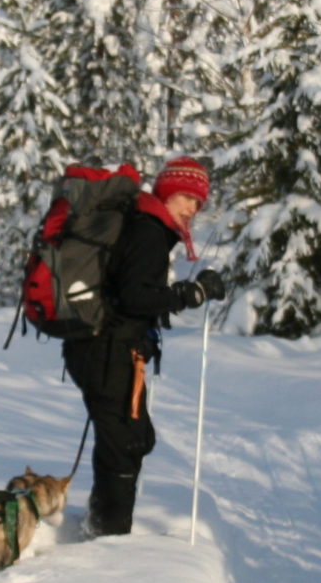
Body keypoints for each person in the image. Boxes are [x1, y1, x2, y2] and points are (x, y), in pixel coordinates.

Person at [62, 156, 225, 537]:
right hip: (106, 350)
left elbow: (129, 291)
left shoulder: (145, 224)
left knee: (128, 438)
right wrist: (191, 294)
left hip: (103, 348)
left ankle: (102, 527)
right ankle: (109, 537)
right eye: (187, 198)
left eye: (198, 203)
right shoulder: (148, 229)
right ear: (167, 192)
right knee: (126, 441)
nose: (192, 209)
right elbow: (135, 296)